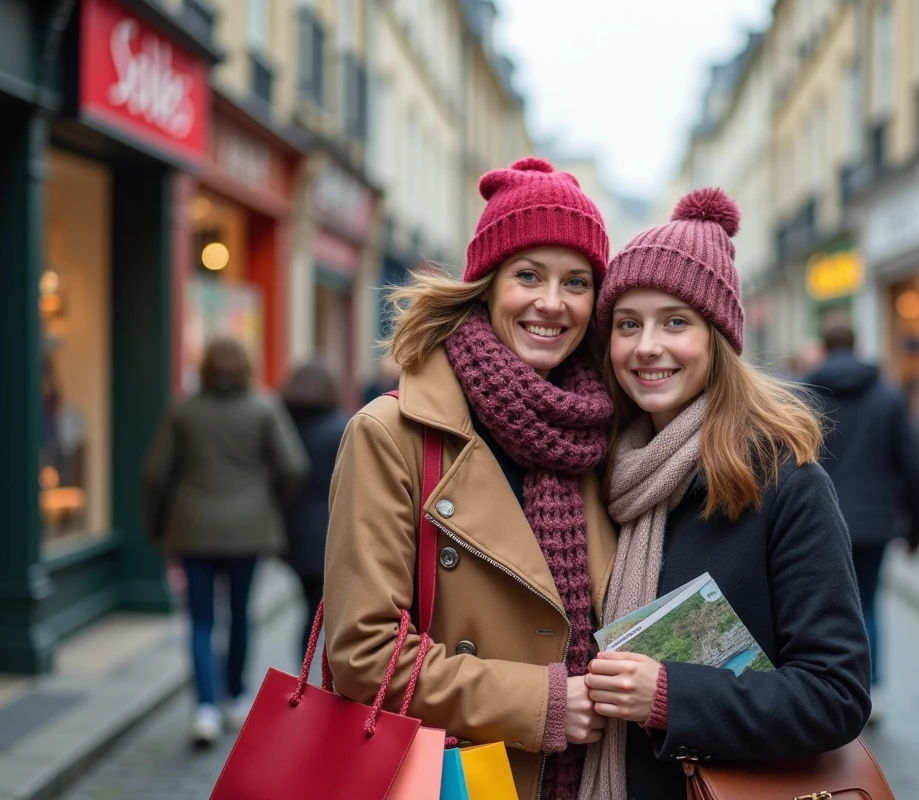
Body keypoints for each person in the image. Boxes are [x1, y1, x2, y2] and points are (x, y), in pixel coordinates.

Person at [322, 157, 615, 800]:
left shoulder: (606, 437)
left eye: (576, 282)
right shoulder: (392, 435)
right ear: (486, 284)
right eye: (528, 276)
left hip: (599, 777)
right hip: (459, 778)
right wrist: (541, 704)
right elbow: (362, 657)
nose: (551, 303)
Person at [579, 188, 871, 800]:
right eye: (628, 324)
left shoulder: (784, 483)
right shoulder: (598, 475)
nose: (647, 346)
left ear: (718, 339)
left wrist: (668, 695)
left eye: (675, 322)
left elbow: (836, 695)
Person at [142, 338, 309, 745]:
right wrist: (267, 500)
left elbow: (155, 474)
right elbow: (294, 466)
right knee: (239, 613)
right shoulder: (264, 406)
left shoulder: (184, 409)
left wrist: (158, 526)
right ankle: (234, 697)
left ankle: (205, 708)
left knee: (200, 620)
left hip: (192, 528)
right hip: (247, 530)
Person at [802, 315, 919, 724]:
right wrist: (916, 527)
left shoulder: (805, 393)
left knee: (821, 606)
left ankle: (833, 689)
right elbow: (910, 464)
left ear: (823, 343)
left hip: (815, 521)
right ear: (857, 344)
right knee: (869, 604)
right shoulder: (889, 396)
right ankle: (873, 689)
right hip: (875, 521)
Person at [279, 361, 352, 659]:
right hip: (329, 531)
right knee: (326, 610)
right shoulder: (343, 427)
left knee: (310, 608)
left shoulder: (282, 424)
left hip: (291, 532)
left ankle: (304, 672)